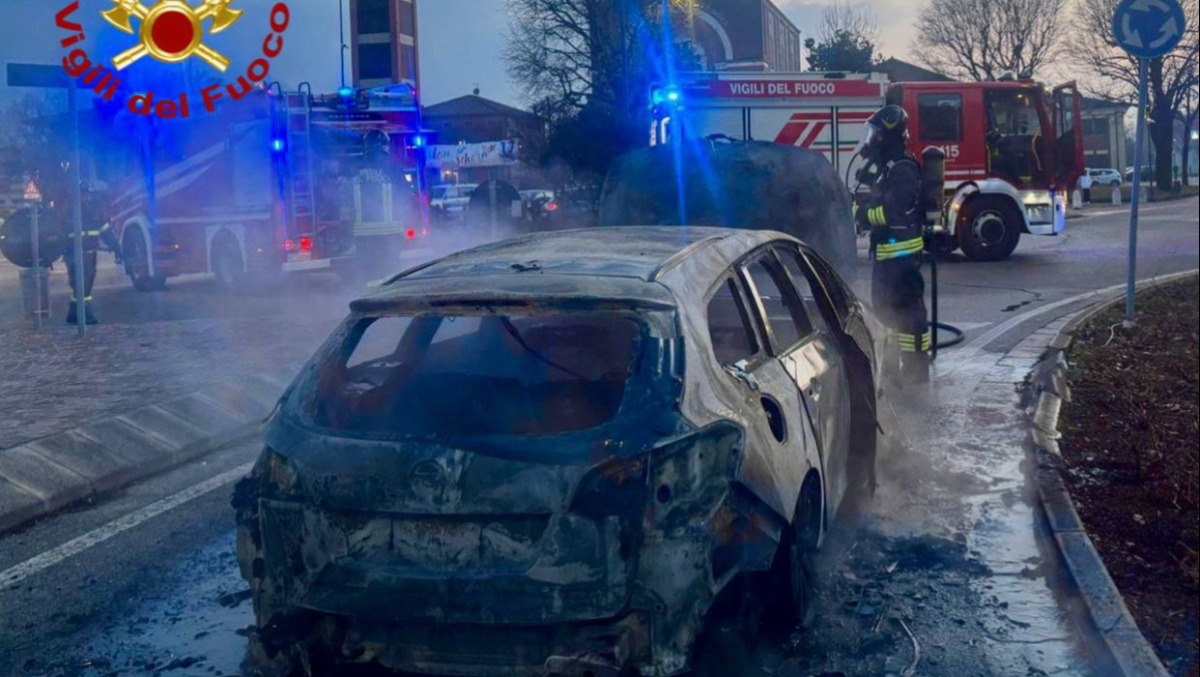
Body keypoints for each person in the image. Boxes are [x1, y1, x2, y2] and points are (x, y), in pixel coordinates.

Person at [855, 105, 930, 384]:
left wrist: (863, 215)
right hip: (889, 260)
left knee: (909, 319)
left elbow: (894, 212)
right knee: (888, 317)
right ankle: (893, 371)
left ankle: (915, 373)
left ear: (887, 137)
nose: (871, 141)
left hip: (901, 260)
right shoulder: (890, 167)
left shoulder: (903, 169)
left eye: (875, 135)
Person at [64, 182, 121, 325]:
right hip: (79, 253)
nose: (88, 197)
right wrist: (115, 247)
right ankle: (84, 314)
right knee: (83, 283)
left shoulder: (75, 210)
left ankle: (73, 313)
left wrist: (115, 246)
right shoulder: (79, 211)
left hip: (81, 253)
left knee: (80, 282)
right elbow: (104, 229)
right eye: (86, 194)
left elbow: (104, 229)